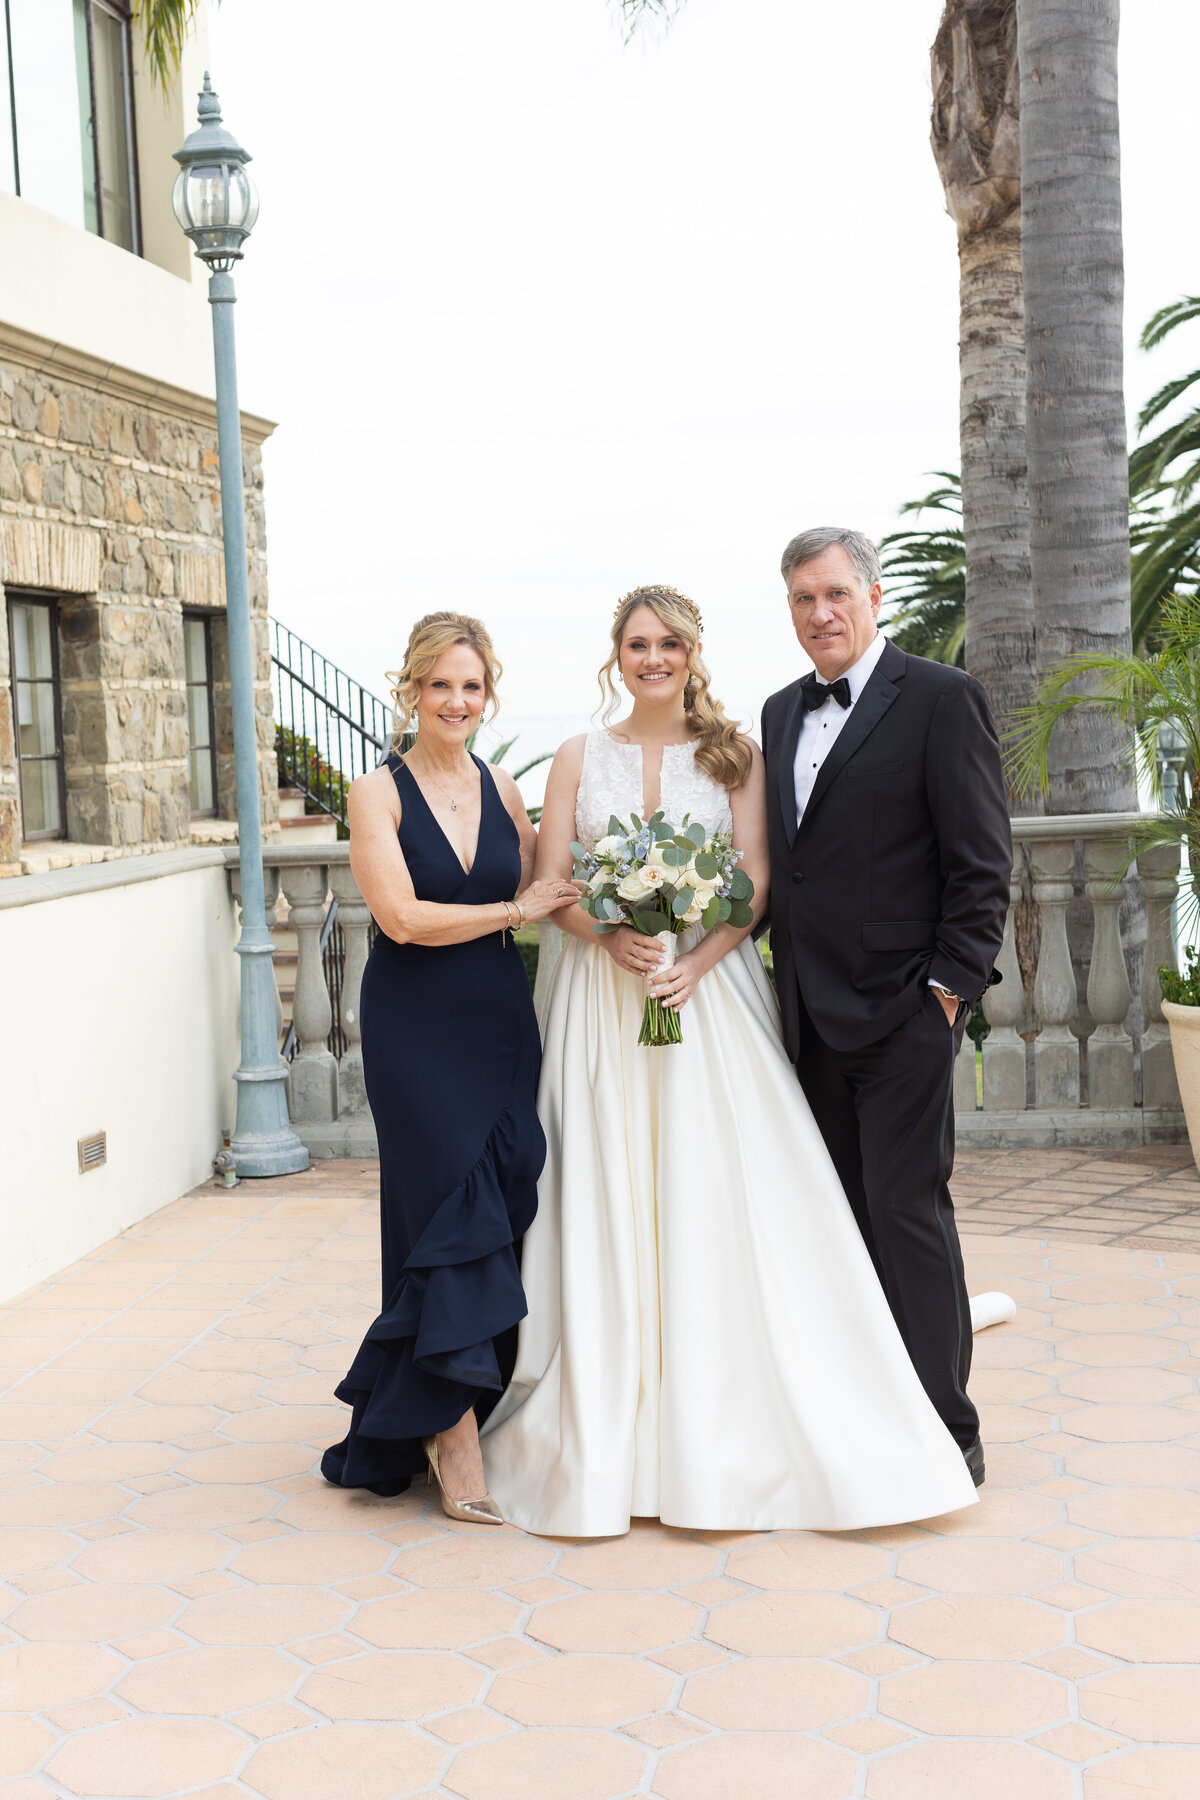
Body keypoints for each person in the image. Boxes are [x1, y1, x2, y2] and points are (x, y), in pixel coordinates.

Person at [480, 585, 980, 1535]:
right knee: (612, 1189)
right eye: (637, 644)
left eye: (669, 643)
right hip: (605, 1000)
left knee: (723, 1187)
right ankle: (611, 1397)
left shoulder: (738, 755)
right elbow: (552, 880)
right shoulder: (580, 758)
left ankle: (746, 1396)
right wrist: (604, 935)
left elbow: (752, 883)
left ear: (693, 652)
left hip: (708, 999)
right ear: (615, 655)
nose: (654, 659)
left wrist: (699, 961)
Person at [760, 528, 1012, 1488]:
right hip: (805, 1015)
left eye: (832, 594)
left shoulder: (942, 700)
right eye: (799, 599)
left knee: (909, 1212)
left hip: (906, 1010)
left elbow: (981, 867)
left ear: (872, 595)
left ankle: (949, 1429)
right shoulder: (781, 712)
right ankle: (864, 1410)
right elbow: (787, 866)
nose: (818, 614)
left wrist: (947, 992)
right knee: (835, 1218)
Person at [320, 612, 578, 1522]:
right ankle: (450, 1432)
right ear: (411, 691)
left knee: (505, 1182)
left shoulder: (504, 783)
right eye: (440, 686)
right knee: (439, 1204)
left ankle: (464, 1391)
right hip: (416, 1025)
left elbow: (559, 882)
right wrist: (515, 913)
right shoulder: (375, 792)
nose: (458, 702)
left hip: (500, 1017)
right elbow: (402, 919)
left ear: (487, 693)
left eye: (472, 687)